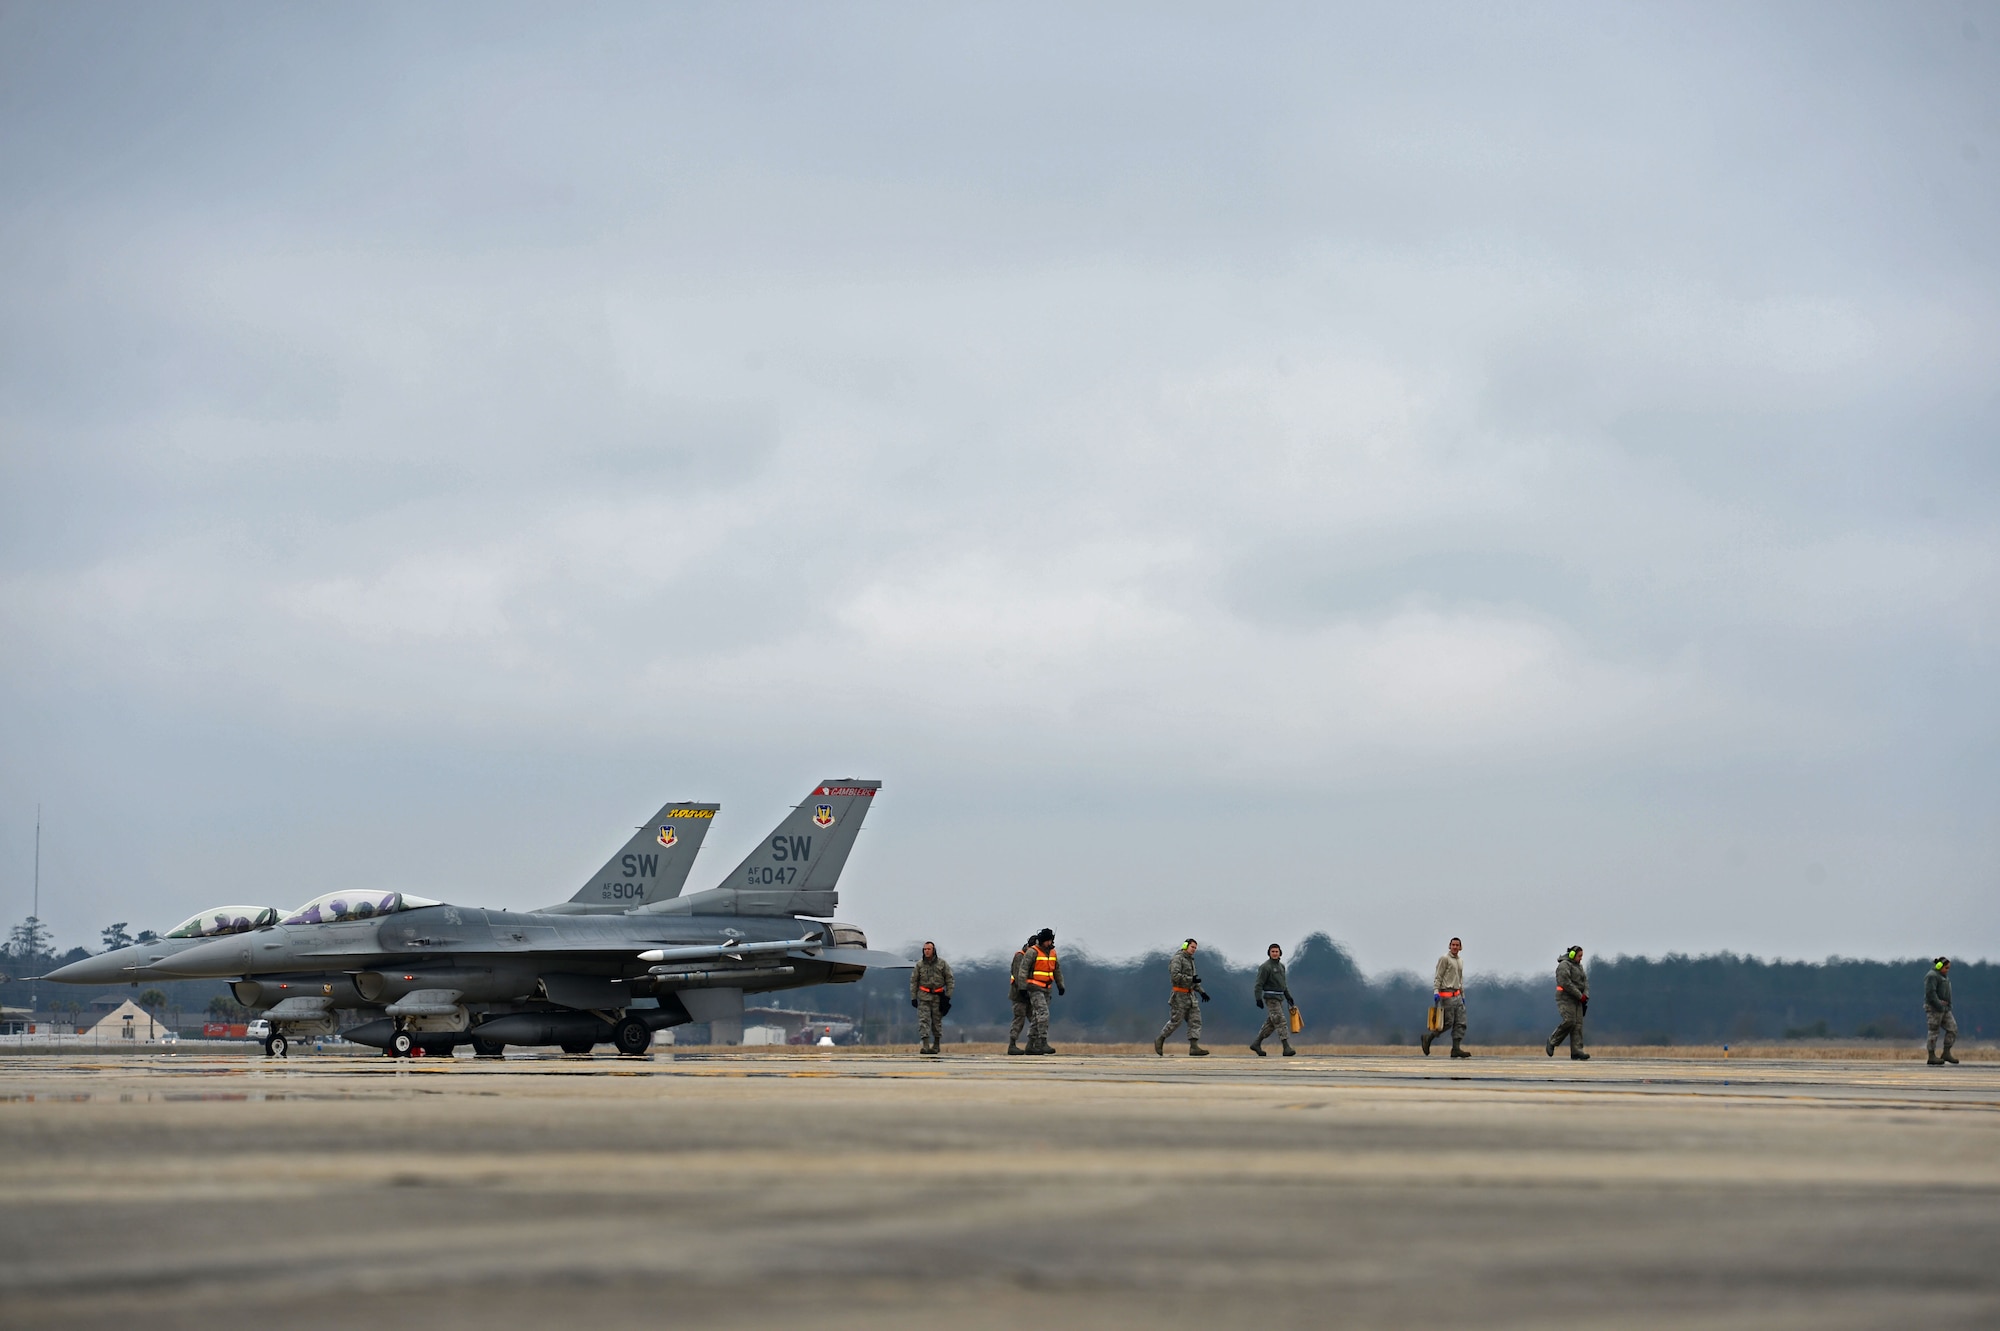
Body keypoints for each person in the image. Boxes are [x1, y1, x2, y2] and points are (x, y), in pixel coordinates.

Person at [1154, 938, 1210, 1056]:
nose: (1194, 950)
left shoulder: (1191, 961)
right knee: (1176, 1021)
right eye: (1192, 947)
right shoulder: (1177, 959)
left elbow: (1194, 980)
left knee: (1195, 1020)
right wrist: (1191, 979)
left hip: (1190, 995)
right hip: (1179, 996)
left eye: (1195, 948)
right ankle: (1160, 1038)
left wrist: (1202, 992)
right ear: (1185, 946)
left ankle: (1194, 1047)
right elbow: (1175, 976)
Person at [1422, 937, 1469, 1058]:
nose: (1455, 947)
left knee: (1461, 1022)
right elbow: (1438, 976)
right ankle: (1429, 1037)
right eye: (1453, 945)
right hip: (1446, 995)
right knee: (1447, 1022)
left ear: (1460, 947)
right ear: (1449, 946)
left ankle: (1456, 1048)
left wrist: (1462, 995)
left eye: (1457, 945)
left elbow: (1460, 979)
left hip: (1457, 994)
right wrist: (1436, 991)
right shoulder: (1444, 959)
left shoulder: (1460, 961)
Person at [1022, 927, 1064, 1054]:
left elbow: (1057, 970)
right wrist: (1022, 988)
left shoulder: (1053, 953)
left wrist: (1060, 985)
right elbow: (1023, 970)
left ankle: (1030, 1045)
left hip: (1047, 989)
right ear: (1042, 940)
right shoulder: (1032, 952)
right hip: (1034, 988)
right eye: (1048, 941)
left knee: (1037, 1017)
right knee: (1043, 1014)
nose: (1050, 943)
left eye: (1051, 940)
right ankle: (1042, 1042)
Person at [1250, 943, 1296, 1057]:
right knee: (1280, 1020)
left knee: (1271, 1023)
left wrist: (1288, 996)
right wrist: (1258, 998)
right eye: (1273, 951)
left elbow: (1284, 984)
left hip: (1280, 998)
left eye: (1276, 951)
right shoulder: (1265, 967)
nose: (1275, 953)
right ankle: (1286, 1047)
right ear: (1269, 953)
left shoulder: (1281, 967)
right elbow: (1258, 984)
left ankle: (1256, 1043)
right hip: (1271, 999)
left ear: (1280, 953)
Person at [909, 941, 954, 1056]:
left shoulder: (942, 964)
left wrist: (948, 996)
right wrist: (913, 997)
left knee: (936, 1021)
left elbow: (950, 979)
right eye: (925, 949)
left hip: (938, 997)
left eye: (929, 949)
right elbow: (914, 981)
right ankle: (925, 1045)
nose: (926, 951)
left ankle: (936, 1044)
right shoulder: (919, 965)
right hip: (924, 996)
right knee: (923, 1020)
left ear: (933, 950)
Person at [1547, 945, 1590, 1060]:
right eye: (1579, 956)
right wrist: (1580, 995)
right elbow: (1565, 983)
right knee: (1569, 1021)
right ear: (1572, 955)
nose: (1581, 958)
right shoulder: (1564, 966)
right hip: (1565, 998)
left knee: (1578, 1025)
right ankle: (1552, 1041)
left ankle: (1577, 1051)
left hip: (1578, 999)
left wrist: (1585, 995)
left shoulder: (1579, 967)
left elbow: (1585, 982)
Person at [1007, 932, 1038, 1055]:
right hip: (1019, 995)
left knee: (1036, 1019)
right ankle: (1012, 1044)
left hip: (1032, 994)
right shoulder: (1020, 956)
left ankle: (1033, 1044)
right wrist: (1023, 989)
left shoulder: (1034, 957)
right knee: (1019, 1019)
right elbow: (1018, 974)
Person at [1926, 957, 1958, 1066]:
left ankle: (1946, 1052)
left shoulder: (1943, 976)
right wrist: (1939, 1003)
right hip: (1934, 1008)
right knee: (1934, 1031)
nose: (1948, 970)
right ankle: (1931, 1055)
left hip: (1945, 1009)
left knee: (1952, 1029)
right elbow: (1930, 993)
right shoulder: (1932, 976)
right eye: (1946, 967)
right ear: (1939, 966)